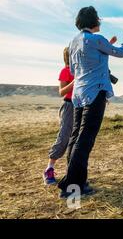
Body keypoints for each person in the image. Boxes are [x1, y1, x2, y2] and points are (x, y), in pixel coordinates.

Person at [58, 6, 123, 198]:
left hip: (79, 94)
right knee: (85, 140)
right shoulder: (96, 39)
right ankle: (72, 186)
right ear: (95, 21)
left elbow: (75, 71)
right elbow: (121, 52)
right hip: (95, 93)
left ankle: (77, 180)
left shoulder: (74, 42)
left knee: (76, 137)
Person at [43, 47, 75, 185]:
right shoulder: (65, 71)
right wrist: (75, 81)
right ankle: (49, 169)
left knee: (77, 140)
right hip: (69, 106)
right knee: (64, 137)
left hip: (82, 106)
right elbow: (62, 92)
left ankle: (73, 171)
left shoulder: (83, 70)